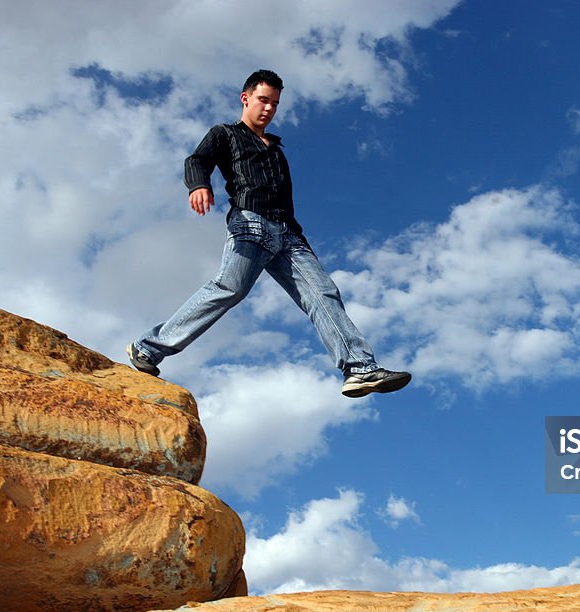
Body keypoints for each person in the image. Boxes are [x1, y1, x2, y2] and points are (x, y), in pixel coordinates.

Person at [127, 69, 410, 398]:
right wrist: (199, 185)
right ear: (245, 98)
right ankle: (148, 348)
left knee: (323, 294)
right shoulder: (226, 134)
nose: (268, 109)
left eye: (274, 104)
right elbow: (197, 159)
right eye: (263, 100)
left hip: (290, 236)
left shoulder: (276, 149)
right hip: (251, 224)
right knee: (228, 289)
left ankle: (359, 368)